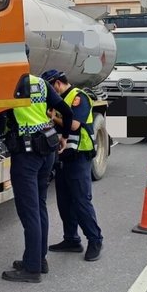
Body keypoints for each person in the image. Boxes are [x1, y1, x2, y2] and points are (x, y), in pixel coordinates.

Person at [0, 49, 74, 283]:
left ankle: (31, 270)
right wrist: (64, 136)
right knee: (39, 206)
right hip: (47, 150)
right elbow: (66, 112)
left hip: (26, 156)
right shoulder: (41, 83)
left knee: (29, 212)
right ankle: (40, 259)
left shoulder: (9, 86)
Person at [41, 69, 104, 262]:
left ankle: (95, 240)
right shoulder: (61, 100)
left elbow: (75, 124)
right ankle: (71, 239)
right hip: (63, 156)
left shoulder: (78, 97)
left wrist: (53, 117)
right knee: (64, 201)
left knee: (81, 200)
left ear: (57, 84)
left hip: (79, 155)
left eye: (51, 88)